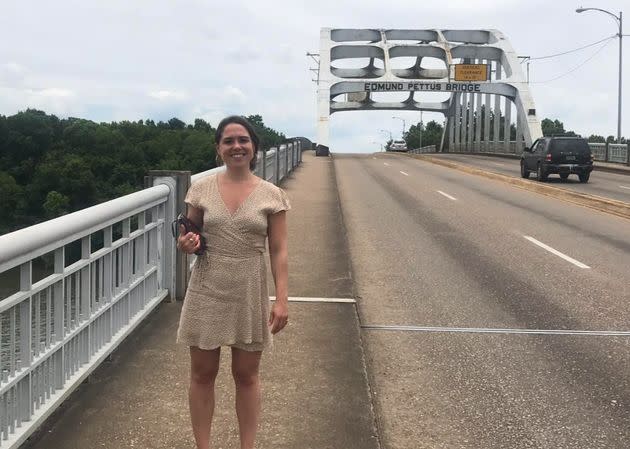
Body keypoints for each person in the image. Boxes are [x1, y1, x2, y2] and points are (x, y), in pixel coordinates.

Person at [176, 115, 290, 449]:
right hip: (208, 286)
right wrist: (185, 245)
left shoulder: (272, 195)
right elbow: (188, 234)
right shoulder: (201, 190)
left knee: (246, 375)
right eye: (229, 141)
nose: (236, 146)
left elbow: (279, 250)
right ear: (218, 149)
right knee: (202, 374)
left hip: (249, 289)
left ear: (254, 147)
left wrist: (281, 300)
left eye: (243, 140)